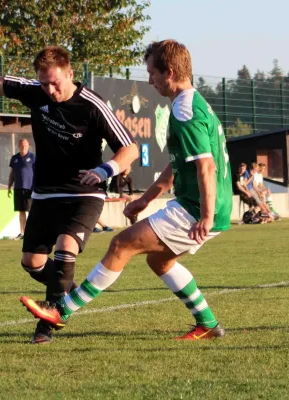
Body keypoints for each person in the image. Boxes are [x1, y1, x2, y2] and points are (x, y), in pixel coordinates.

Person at [21, 39, 232, 341]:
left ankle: (60, 312)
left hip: (197, 209)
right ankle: (207, 323)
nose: (150, 80)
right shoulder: (193, 102)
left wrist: (207, 216)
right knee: (160, 261)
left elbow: (206, 167)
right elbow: (178, 165)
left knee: (121, 244)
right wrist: (145, 200)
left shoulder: (185, 111)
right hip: (202, 205)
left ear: (169, 72)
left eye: (152, 73)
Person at [0, 32, 138, 344]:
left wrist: (104, 170)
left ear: (70, 74)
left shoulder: (92, 105)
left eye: (55, 83)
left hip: (84, 192)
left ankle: (47, 324)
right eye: (44, 83)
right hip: (45, 193)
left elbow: (129, 148)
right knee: (31, 263)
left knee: (65, 247)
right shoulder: (35, 92)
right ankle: (67, 289)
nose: (49, 89)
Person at [8, 139, 35, 239]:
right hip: (18, 188)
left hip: (29, 188)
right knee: (21, 210)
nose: (23, 147)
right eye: (22, 145)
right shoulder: (14, 158)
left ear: (28, 146)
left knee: (30, 211)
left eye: (25, 145)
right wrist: (9, 186)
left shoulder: (32, 157)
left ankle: (31, 232)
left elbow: (37, 172)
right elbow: (12, 173)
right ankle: (22, 232)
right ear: (18, 146)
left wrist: (36, 186)